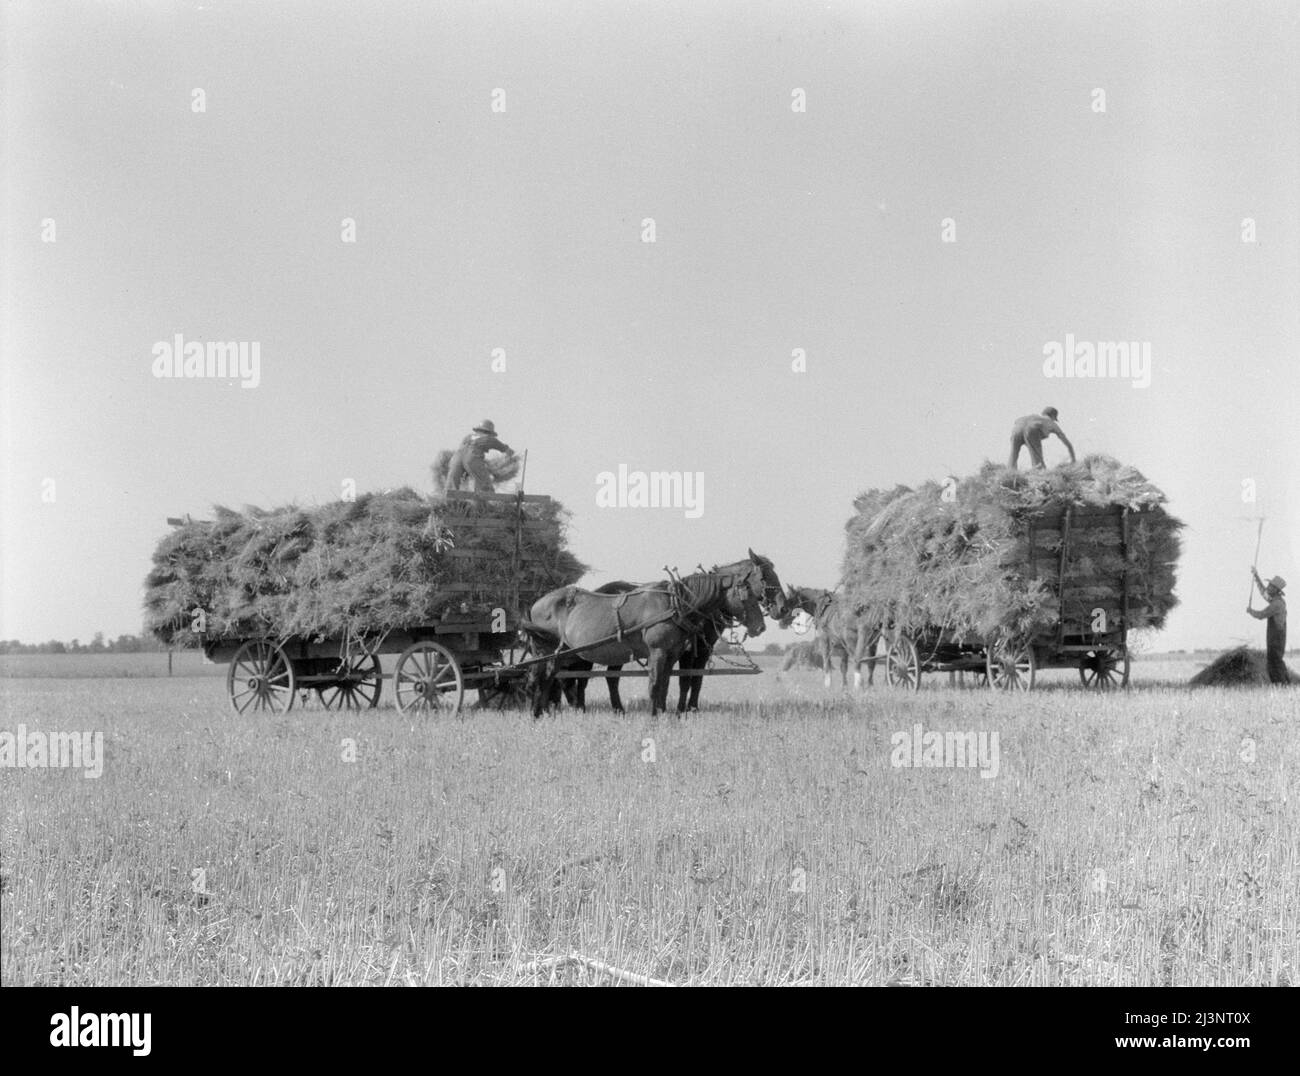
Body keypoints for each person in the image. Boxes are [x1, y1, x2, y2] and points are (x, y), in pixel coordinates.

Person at [1247, 571, 1289, 685]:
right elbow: (1264, 593)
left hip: (1276, 638)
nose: (1268, 587)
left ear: (1276, 590)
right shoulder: (1276, 600)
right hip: (1276, 637)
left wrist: (1251, 612)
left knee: (1274, 662)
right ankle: (1285, 684)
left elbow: (1261, 615)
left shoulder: (1276, 604)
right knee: (1277, 661)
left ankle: (1281, 685)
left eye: (1271, 586)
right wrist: (1256, 577)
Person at [1009, 406, 1076, 469]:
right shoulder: (1050, 422)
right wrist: (1073, 459)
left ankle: (1010, 473)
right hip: (1033, 429)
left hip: (1017, 428)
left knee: (1013, 457)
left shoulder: (1033, 417)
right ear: (1053, 416)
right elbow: (1068, 444)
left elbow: (1017, 422)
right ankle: (1038, 473)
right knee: (1038, 462)